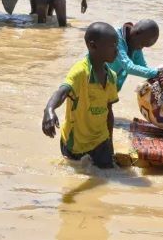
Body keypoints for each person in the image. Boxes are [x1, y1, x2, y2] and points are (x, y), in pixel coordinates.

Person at [42, 22, 119, 169]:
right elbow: (62, 92)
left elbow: (109, 111)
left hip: (101, 140)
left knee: (108, 177)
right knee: (75, 175)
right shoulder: (80, 72)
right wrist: (49, 109)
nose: (116, 51)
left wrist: (110, 142)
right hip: (76, 143)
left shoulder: (111, 77)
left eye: (116, 45)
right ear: (93, 46)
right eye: (112, 46)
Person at [109, 19, 160, 92]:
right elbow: (128, 67)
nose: (141, 48)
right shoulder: (115, 37)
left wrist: (161, 72)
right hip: (94, 84)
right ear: (136, 33)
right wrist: (157, 73)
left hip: (111, 89)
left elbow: (143, 67)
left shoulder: (135, 42)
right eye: (142, 44)